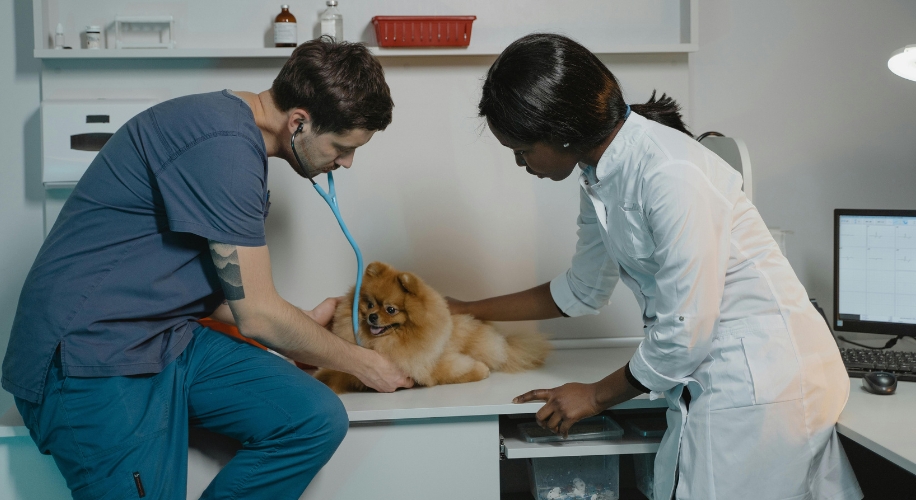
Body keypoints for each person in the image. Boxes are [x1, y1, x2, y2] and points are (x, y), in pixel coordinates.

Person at [449, 34, 862, 500]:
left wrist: (595, 395)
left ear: (562, 129)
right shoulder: (598, 173)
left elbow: (685, 333)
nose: (521, 164)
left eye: (523, 150)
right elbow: (582, 290)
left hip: (761, 381)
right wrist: (464, 309)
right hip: (715, 378)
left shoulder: (670, 172)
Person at [2, 37, 413, 499]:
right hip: (90, 357)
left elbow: (222, 287)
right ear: (299, 121)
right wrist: (364, 363)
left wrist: (302, 329)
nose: (346, 162)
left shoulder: (232, 137)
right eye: (341, 146)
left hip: (164, 338)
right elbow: (256, 315)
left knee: (312, 418)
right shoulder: (224, 147)